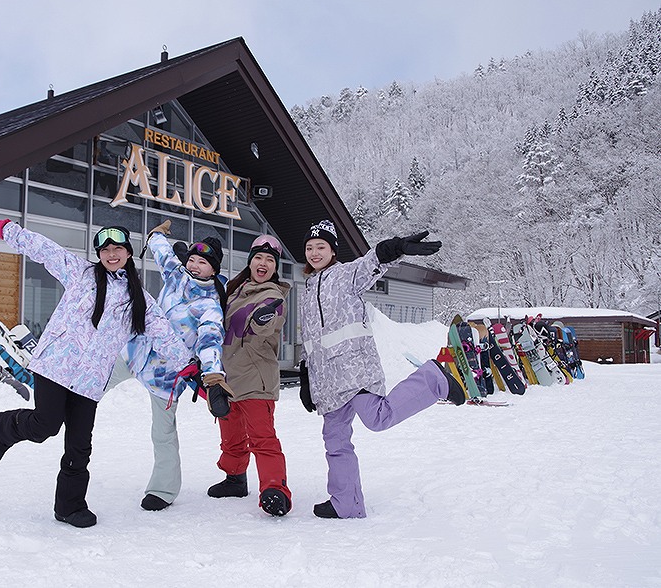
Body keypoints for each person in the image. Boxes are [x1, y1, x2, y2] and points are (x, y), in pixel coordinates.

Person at [0, 212, 191, 528]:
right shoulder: (81, 273)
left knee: (79, 445)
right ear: (99, 255)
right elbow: (44, 249)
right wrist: (6, 229)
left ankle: (69, 507)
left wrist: (189, 365)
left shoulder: (140, 299)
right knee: (45, 425)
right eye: (105, 250)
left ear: (128, 253)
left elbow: (163, 332)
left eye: (117, 249)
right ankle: (2, 428)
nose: (111, 255)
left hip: (90, 379)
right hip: (56, 364)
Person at [298, 220, 465, 520]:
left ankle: (434, 378)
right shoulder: (307, 289)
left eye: (321, 246)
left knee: (378, 417)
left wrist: (395, 248)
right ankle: (344, 503)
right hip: (327, 381)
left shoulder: (345, 275)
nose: (314, 252)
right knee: (335, 439)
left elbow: (371, 262)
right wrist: (306, 378)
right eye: (309, 247)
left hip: (354, 368)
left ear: (333, 250)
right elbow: (311, 338)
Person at [124, 219, 231, 512]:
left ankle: (163, 489)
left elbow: (211, 340)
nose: (194, 265)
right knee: (88, 384)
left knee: (163, 433)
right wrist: (157, 234)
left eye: (202, 262)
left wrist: (212, 376)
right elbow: (161, 251)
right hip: (133, 352)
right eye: (192, 259)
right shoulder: (176, 275)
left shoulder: (209, 306)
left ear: (214, 270)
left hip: (165, 376)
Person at [207, 234, 292, 517]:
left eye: (270, 260)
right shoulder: (235, 290)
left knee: (262, 438)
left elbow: (268, 320)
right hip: (228, 377)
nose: (263, 263)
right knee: (230, 436)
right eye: (258, 257)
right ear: (250, 261)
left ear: (275, 267)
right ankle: (234, 479)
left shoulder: (273, 295)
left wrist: (262, 319)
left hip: (256, 378)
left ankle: (274, 490)